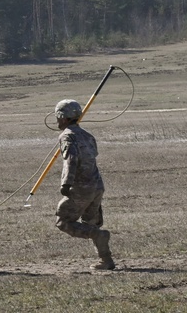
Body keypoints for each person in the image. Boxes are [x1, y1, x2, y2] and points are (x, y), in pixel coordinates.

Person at [54, 98, 114, 270]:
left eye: (58, 117)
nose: (57, 120)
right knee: (91, 223)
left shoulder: (67, 136)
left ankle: (98, 236)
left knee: (63, 221)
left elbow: (71, 160)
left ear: (63, 118)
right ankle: (106, 260)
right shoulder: (88, 136)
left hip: (81, 188)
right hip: (97, 187)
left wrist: (66, 183)